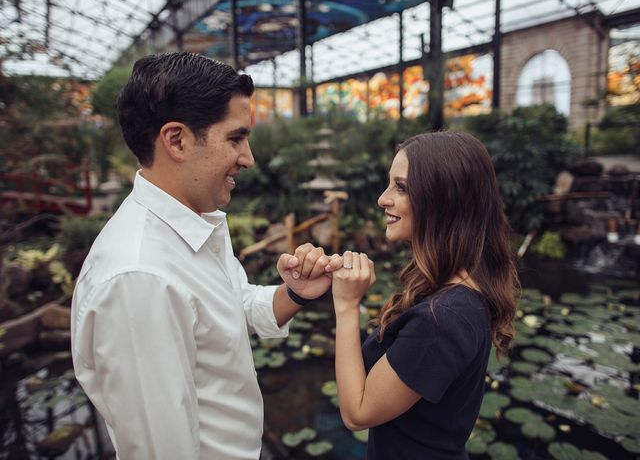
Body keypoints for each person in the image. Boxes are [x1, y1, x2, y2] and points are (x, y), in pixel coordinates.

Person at [70, 52, 341, 459]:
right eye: (235, 138)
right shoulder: (140, 278)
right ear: (176, 139)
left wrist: (295, 293)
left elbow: (231, 308)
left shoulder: (194, 224)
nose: (248, 158)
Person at [331, 131, 519, 459]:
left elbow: (357, 413)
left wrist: (347, 305)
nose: (383, 199)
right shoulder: (455, 292)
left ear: (442, 199)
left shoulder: (443, 319)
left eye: (401, 187)